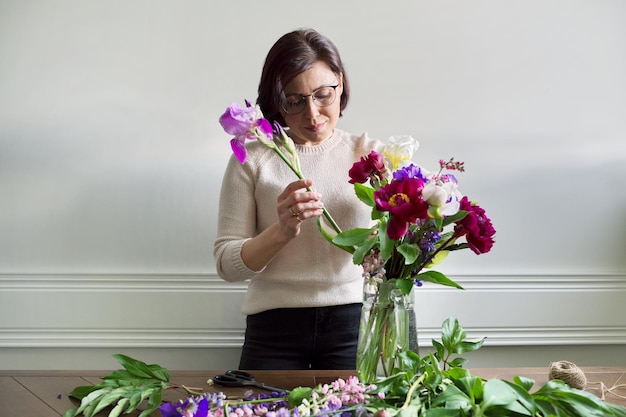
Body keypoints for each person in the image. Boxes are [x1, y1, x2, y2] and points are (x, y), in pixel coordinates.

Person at [214, 28, 382, 370]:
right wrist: (282, 230)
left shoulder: (369, 155)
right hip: (273, 328)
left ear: (340, 82)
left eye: (323, 95)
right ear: (275, 101)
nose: (313, 115)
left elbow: (393, 260)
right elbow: (226, 264)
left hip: (352, 323)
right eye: (294, 101)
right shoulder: (253, 157)